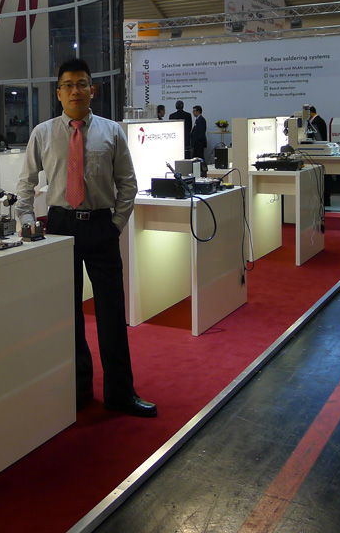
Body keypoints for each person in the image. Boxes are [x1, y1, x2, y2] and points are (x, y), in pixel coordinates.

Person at [16, 58, 156, 418]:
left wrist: (116, 224)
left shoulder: (112, 131)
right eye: (68, 85)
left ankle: (120, 393)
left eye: (81, 84)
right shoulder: (42, 133)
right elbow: (25, 184)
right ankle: (77, 391)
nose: (75, 91)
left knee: (111, 312)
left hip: (100, 226)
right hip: (60, 226)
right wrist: (27, 221)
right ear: (58, 93)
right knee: (68, 314)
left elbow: (128, 183)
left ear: (91, 90)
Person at [190, 105, 208, 170]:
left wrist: (197, 141)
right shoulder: (197, 120)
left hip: (199, 143)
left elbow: (201, 132)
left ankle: (202, 170)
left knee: (200, 158)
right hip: (196, 143)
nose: (193, 113)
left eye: (194, 111)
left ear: (198, 111)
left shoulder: (201, 120)